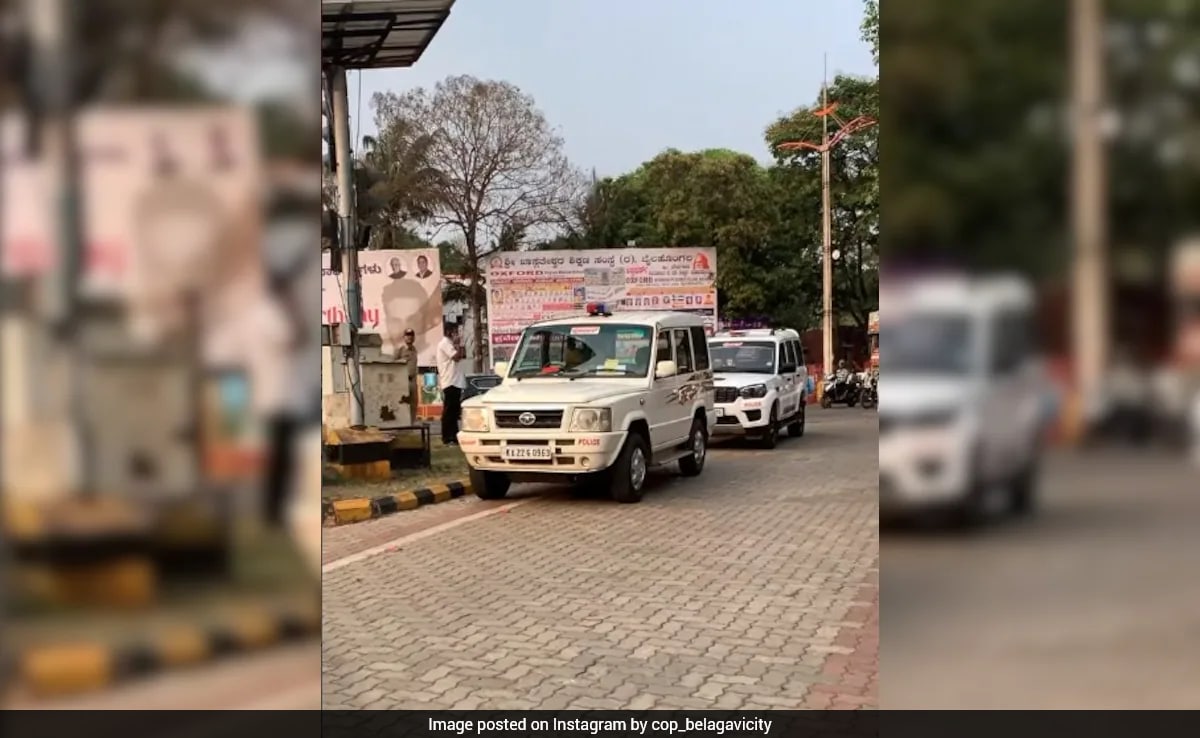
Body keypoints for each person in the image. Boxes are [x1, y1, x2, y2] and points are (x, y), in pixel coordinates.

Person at [437, 323, 467, 445]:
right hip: (450, 381)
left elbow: (463, 354)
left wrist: (461, 343)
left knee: (454, 411)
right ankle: (447, 437)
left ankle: (454, 436)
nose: (456, 334)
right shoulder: (444, 343)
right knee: (449, 411)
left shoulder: (451, 344)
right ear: (449, 332)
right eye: (455, 331)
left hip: (456, 380)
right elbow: (456, 357)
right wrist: (458, 344)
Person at [396, 328, 421, 423]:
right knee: (402, 403)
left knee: (414, 403)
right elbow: (393, 364)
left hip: (413, 380)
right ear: (404, 337)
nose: (409, 337)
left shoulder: (414, 350)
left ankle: (411, 424)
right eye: (407, 335)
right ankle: (402, 424)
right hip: (403, 380)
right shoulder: (400, 350)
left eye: (411, 335)